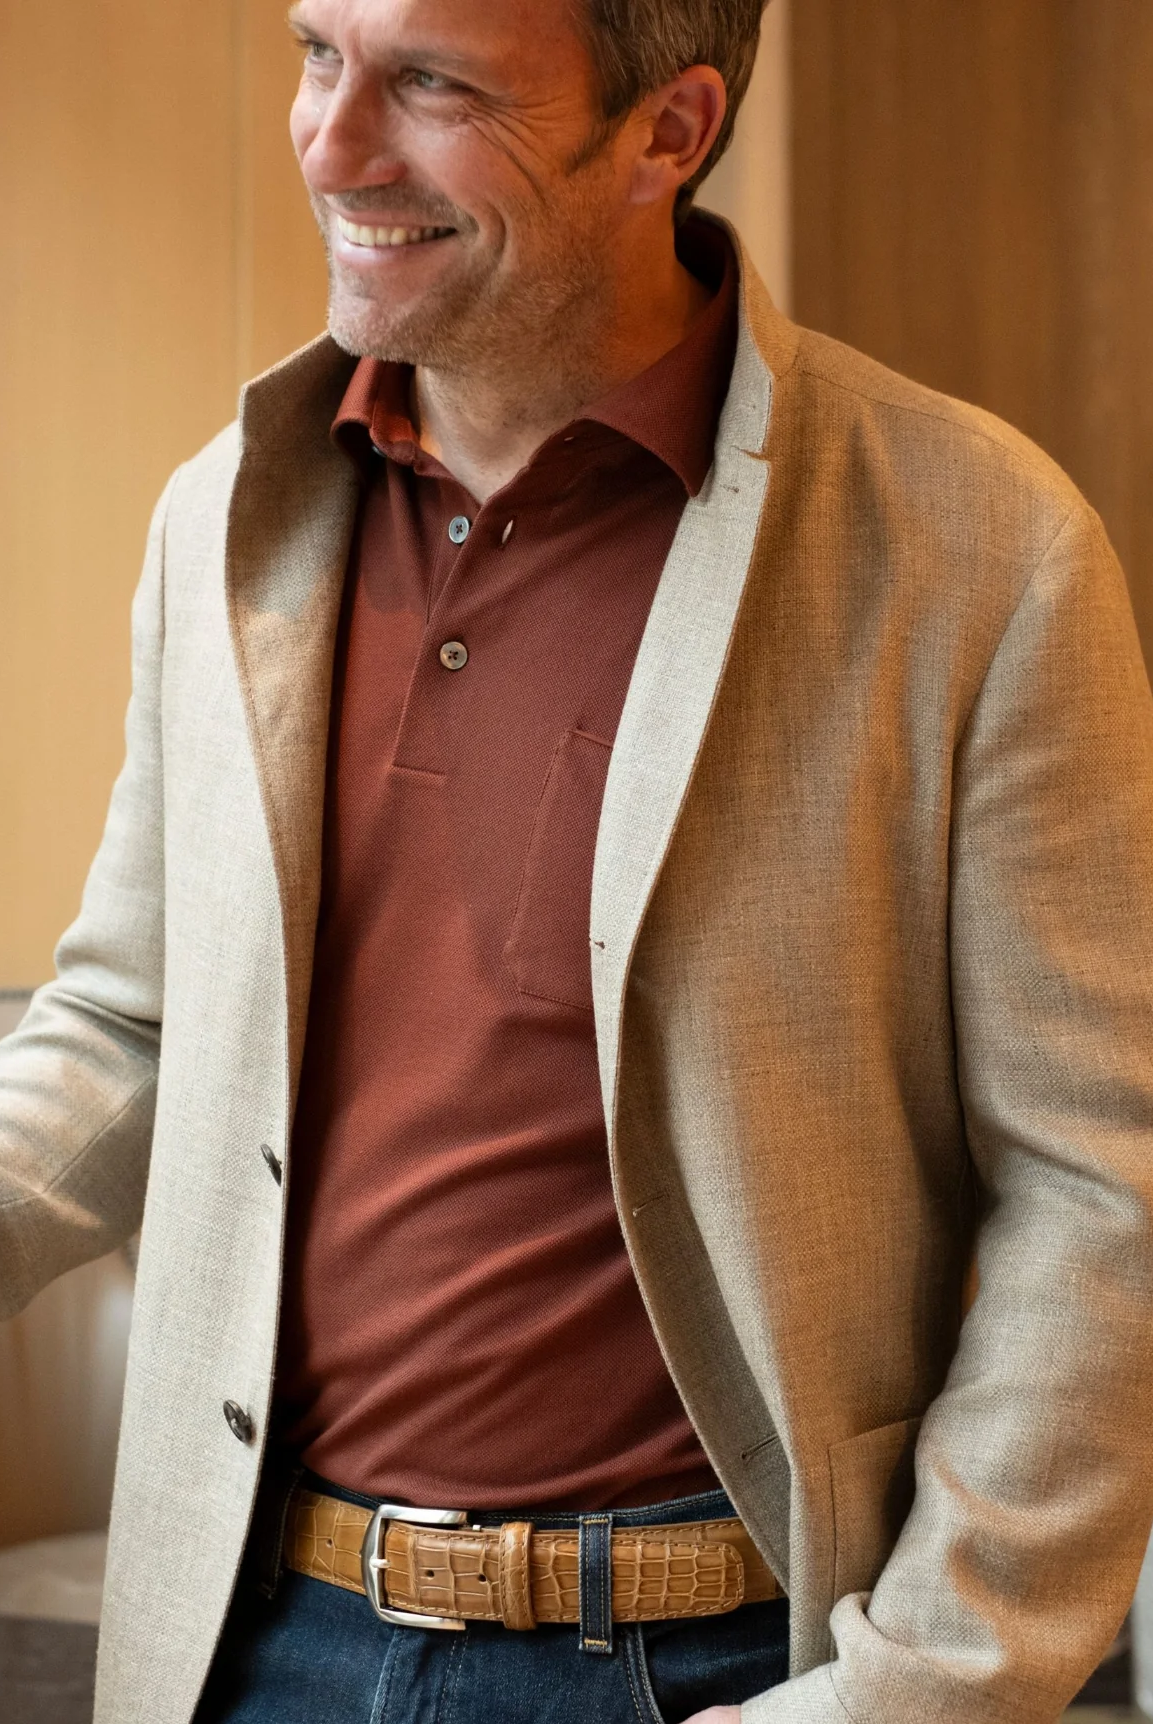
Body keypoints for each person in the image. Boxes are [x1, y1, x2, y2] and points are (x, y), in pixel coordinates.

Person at [3, 0, 1153, 1718]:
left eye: (433, 84)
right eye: (320, 50)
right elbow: (130, 1022)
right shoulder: (221, 513)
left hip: (712, 1665)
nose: (330, 140)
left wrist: (933, 1682)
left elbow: (1102, 1191)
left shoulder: (983, 548)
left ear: (670, 131)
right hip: (251, 1645)